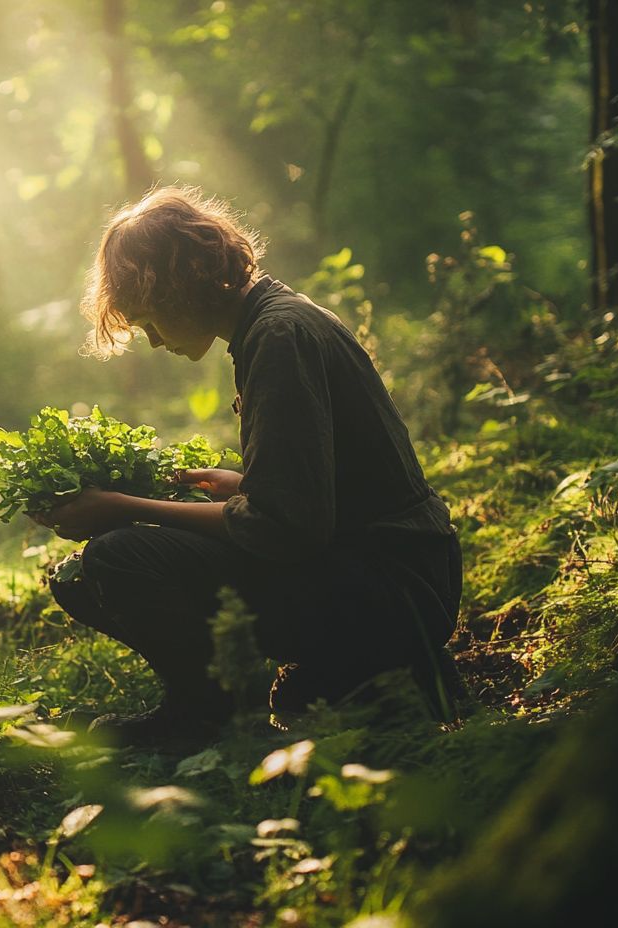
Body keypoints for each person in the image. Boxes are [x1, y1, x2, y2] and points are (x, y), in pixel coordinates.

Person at [36, 186, 463, 744]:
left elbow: (285, 528)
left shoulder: (279, 336)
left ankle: (208, 718)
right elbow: (318, 492)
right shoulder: (276, 323)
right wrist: (244, 485)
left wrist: (119, 507)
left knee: (119, 556)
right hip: (394, 575)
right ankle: (346, 678)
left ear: (180, 289)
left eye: (148, 321)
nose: (154, 341)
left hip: (393, 588)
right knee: (80, 578)